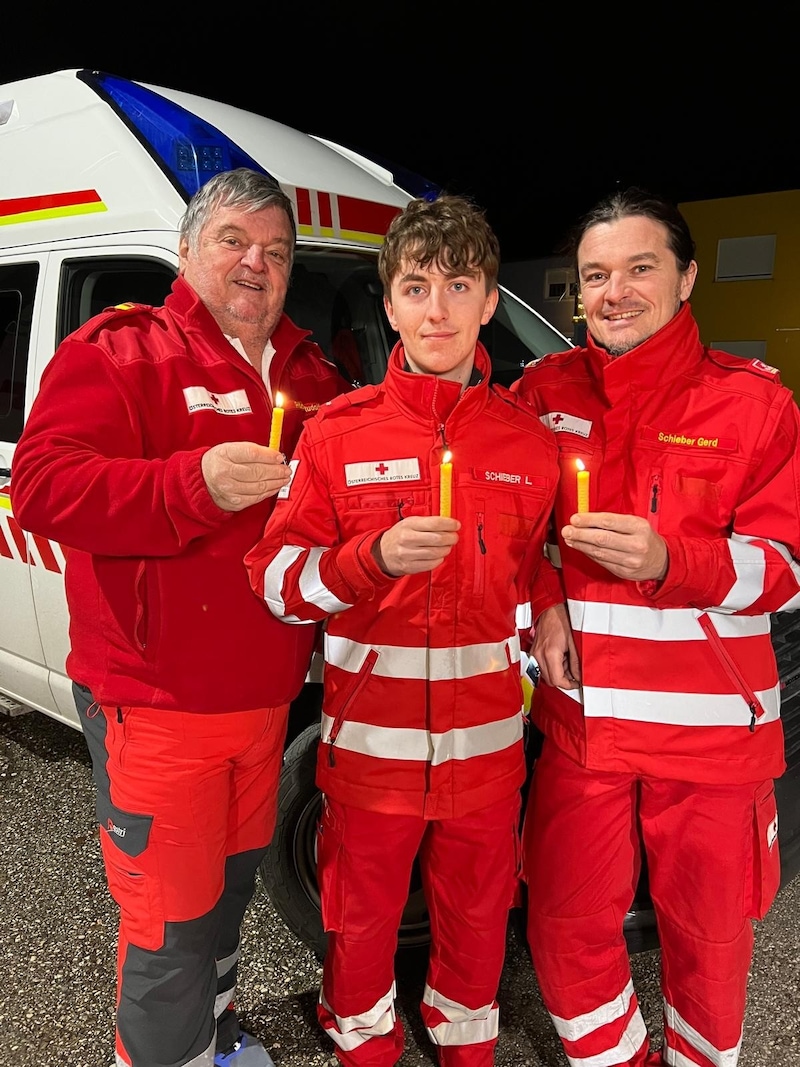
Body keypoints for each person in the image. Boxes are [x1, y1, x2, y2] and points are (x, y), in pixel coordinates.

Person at [11, 167, 350, 1067]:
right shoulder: (122, 352)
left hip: (267, 697)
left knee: (228, 897)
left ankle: (218, 1040)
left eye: (276, 252)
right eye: (235, 240)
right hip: (156, 702)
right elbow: (41, 488)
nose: (256, 263)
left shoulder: (316, 374)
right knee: (169, 926)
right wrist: (188, 483)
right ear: (189, 251)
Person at [245, 194, 560, 1066]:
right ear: (387, 304)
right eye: (416, 286)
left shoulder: (529, 444)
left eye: (459, 285)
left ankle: (465, 1048)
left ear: (491, 300)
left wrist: (553, 603)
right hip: (370, 754)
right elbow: (275, 582)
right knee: (360, 916)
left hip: (489, 755)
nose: (437, 309)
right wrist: (368, 558)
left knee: (475, 917)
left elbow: (534, 572)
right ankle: (364, 1043)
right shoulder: (336, 435)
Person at [512, 187, 800, 1067]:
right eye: (596, 274)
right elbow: (510, 529)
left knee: (709, 944)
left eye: (640, 268)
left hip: (712, 741)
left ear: (686, 278)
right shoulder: (540, 392)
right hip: (583, 728)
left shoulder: (756, 406)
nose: (615, 290)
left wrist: (676, 562)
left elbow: (789, 569)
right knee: (562, 929)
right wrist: (545, 600)